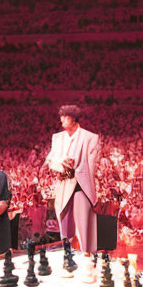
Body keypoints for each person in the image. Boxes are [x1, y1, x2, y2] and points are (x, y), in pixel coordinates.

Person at [45, 105, 99, 253]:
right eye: (61, 117)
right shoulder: (57, 138)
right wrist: (62, 163)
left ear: (73, 118)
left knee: (83, 222)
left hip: (81, 184)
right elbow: (50, 160)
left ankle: (86, 253)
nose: (61, 121)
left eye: (65, 117)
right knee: (64, 218)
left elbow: (92, 166)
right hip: (64, 181)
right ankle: (67, 251)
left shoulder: (90, 138)